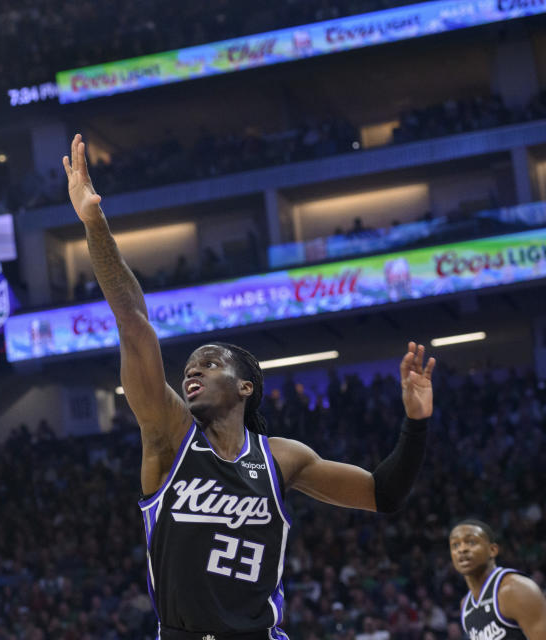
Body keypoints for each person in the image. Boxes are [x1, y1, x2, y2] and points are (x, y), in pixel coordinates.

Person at [62, 133, 435, 640]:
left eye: (209, 364)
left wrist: (416, 422)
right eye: (189, 366)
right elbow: (132, 319)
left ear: (245, 388)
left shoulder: (284, 459)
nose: (191, 372)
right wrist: (93, 223)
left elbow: (384, 494)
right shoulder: (169, 437)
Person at [449, 519, 546, 639]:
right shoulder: (465, 605)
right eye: (455, 545)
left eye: (471, 542)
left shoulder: (516, 589)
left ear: (492, 550)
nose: (462, 549)